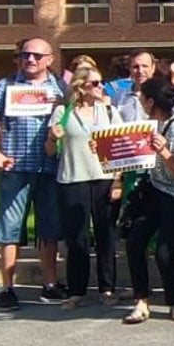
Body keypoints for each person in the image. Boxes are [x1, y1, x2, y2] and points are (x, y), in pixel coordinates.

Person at [0, 38, 68, 311]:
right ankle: (7, 288)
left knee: (49, 229)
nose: (30, 60)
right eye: (25, 55)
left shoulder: (60, 87)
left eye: (36, 56)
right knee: (10, 228)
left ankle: (50, 284)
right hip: (15, 167)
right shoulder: (5, 85)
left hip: (49, 167)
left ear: (49, 59)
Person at [121, 78, 174, 324]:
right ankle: (141, 301)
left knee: (164, 250)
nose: (140, 102)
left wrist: (163, 151)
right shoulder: (150, 125)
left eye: (142, 98)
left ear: (151, 101)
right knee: (134, 242)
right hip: (154, 189)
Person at [50, 66, 121, 306]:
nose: (101, 87)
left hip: (104, 178)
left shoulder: (110, 111)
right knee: (76, 238)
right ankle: (76, 291)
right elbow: (49, 150)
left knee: (106, 235)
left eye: (101, 83)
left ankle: (107, 288)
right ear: (81, 87)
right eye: (95, 83)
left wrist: (118, 180)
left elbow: (121, 148)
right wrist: (52, 138)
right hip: (73, 178)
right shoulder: (63, 111)